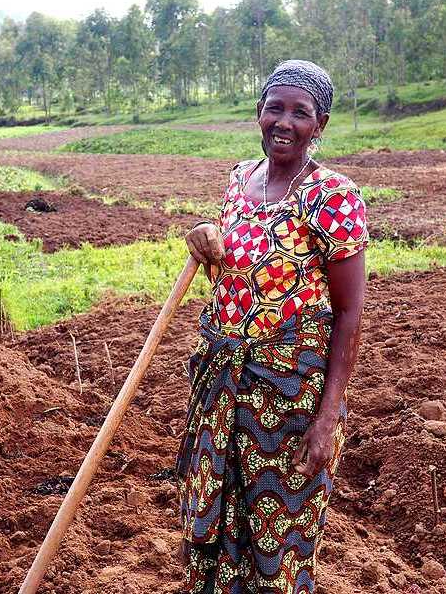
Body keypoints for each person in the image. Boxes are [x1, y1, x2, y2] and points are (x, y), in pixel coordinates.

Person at [176, 60, 369, 594]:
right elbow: (230, 273)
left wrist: (329, 416)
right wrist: (204, 237)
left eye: (300, 113)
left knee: (277, 537)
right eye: (274, 108)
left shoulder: (333, 197)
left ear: (320, 124)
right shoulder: (240, 180)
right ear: (258, 113)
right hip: (221, 384)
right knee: (213, 520)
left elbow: (350, 312)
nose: (284, 122)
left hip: (288, 393)